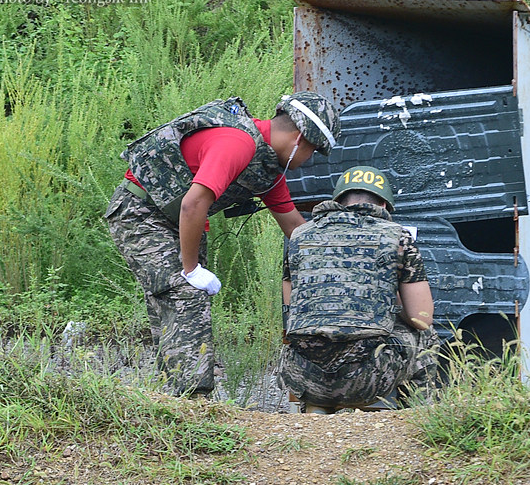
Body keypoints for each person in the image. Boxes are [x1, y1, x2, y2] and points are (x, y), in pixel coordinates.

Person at [105, 93, 340, 397]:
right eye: (312, 151)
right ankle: (192, 405)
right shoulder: (237, 143)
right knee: (186, 292)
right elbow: (192, 205)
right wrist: (190, 269)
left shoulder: (268, 170)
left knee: (177, 304)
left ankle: (169, 397)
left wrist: (338, 258)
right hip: (141, 212)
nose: (308, 160)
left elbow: (295, 228)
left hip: (178, 220)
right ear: (298, 139)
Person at [278, 165, 440, 413]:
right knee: (426, 337)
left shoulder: (299, 236)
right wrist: (388, 297)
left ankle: (315, 410)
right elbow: (422, 318)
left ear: (339, 201)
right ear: (383, 206)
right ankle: (416, 421)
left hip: (303, 375)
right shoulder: (398, 237)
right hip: (367, 379)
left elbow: (292, 312)